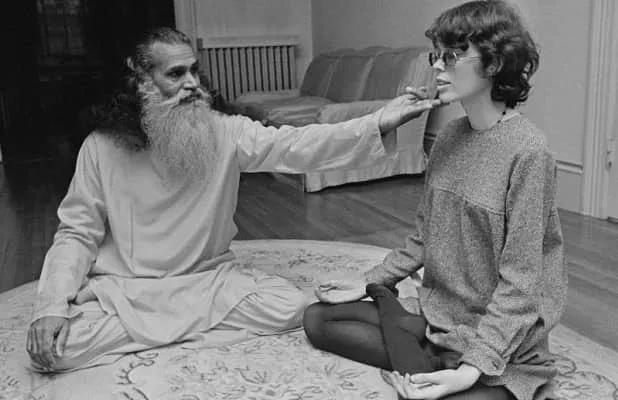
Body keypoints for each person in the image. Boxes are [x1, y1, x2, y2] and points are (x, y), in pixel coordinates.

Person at [26, 26, 441, 373]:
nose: (192, 84)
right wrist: (51, 304)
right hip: (129, 288)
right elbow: (77, 231)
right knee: (58, 348)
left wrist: (378, 121)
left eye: (194, 70)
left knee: (289, 306)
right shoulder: (100, 147)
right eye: (175, 74)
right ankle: (180, 328)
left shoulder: (225, 131)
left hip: (206, 281)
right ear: (140, 81)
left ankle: (156, 331)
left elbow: (298, 144)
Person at [303, 1, 567, 399]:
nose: (438, 67)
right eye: (436, 56)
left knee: (457, 389)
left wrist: (473, 367)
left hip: (500, 337)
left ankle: (452, 368)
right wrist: (370, 281)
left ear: (495, 63)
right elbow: (425, 236)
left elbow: (523, 282)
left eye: (452, 56)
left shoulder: (529, 152)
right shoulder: (447, 138)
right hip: (439, 318)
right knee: (319, 319)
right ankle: (435, 360)